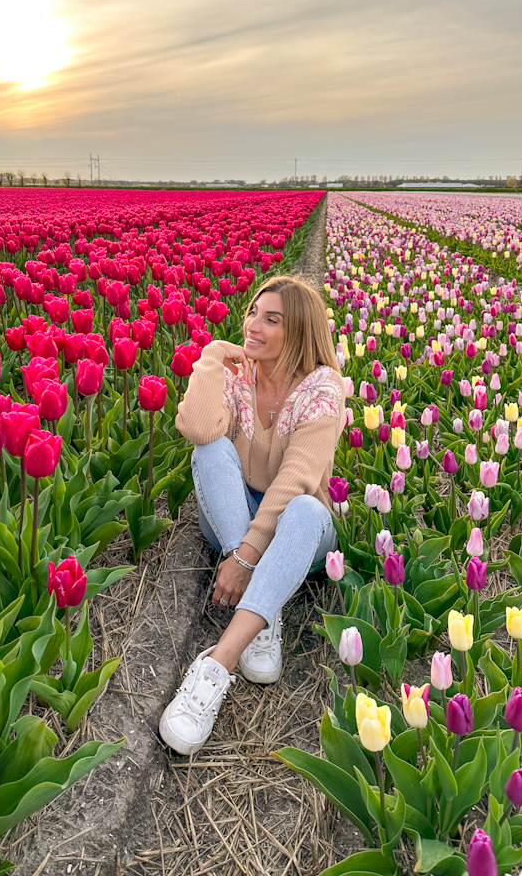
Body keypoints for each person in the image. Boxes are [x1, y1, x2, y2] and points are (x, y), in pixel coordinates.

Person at [158, 275, 346, 755]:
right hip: (230, 512)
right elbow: (197, 428)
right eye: (252, 313)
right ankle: (269, 602)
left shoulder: (323, 389)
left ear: (299, 331)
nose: (253, 325)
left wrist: (245, 558)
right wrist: (212, 355)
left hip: (299, 527)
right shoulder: (236, 372)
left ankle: (216, 664)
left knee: (303, 508)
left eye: (272, 319)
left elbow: (296, 478)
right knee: (211, 451)